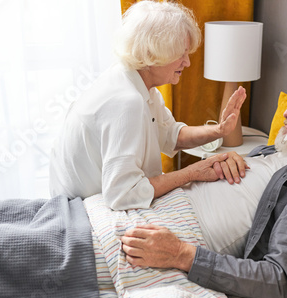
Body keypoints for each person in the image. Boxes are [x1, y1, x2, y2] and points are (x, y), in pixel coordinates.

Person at [120, 74, 287, 298]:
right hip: (146, 209)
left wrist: (180, 254)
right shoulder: (269, 151)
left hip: (167, 236)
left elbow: (277, 279)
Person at [48, 0, 247, 210]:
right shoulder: (127, 102)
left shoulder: (138, 83)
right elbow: (123, 194)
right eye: (181, 54)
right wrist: (193, 172)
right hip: (76, 209)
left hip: (78, 197)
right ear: (153, 54)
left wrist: (219, 130)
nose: (187, 62)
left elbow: (171, 135)